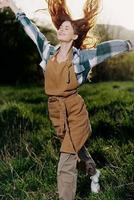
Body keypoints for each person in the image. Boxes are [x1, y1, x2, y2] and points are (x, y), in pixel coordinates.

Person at [0, 0, 134, 199]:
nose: (62, 29)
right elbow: (30, 28)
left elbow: (107, 49)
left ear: (75, 35)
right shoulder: (47, 51)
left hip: (75, 114)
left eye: (67, 28)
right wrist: (11, 5)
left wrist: (129, 44)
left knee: (65, 162)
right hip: (56, 114)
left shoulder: (82, 58)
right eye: (61, 26)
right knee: (75, 153)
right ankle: (94, 173)